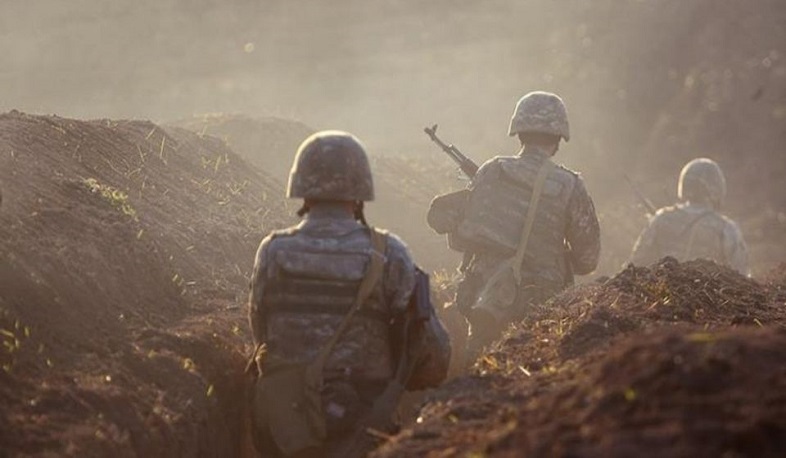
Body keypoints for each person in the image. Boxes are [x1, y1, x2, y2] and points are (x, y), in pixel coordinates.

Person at [247, 130, 450, 457]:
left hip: (285, 425)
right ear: (360, 191)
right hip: (364, 422)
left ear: (302, 189)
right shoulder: (389, 253)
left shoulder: (273, 251)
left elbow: (260, 330)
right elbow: (430, 346)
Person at [428, 91, 601, 355]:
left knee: (475, 371)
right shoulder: (570, 185)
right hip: (542, 307)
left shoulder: (491, 170)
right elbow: (587, 260)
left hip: (488, 298)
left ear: (518, 132)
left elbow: (463, 235)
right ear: (558, 137)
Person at [630, 157, 749, 275]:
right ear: (715, 187)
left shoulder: (661, 219)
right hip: (708, 293)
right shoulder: (726, 229)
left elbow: (635, 265)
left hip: (661, 292)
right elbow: (743, 278)